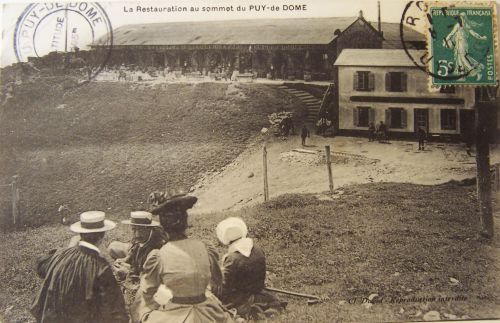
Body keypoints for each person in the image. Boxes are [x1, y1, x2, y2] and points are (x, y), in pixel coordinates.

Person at [131, 189, 234, 323]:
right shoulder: (204, 247)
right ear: (185, 222)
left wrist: (160, 305)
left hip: (176, 316)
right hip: (209, 312)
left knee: (139, 307)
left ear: (163, 225)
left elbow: (148, 292)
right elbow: (217, 282)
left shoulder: (159, 256)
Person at [31, 211, 128, 323]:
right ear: (102, 235)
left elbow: (41, 265)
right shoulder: (100, 266)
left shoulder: (61, 254)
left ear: (81, 234)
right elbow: (115, 310)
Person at [216, 217, 286, 320]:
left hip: (241, 297)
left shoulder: (232, 258)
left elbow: (225, 287)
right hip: (257, 289)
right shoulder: (257, 249)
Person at [108, 211, 167, 279]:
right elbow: (135, 246)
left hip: (150, 268)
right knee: (113, 247)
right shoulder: (141, 236)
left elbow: (150, 278)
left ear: (149, 228)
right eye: (134, 229)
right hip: (140, 259)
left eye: (141, 230)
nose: (137, 234)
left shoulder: (158, 246)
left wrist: (129, 272)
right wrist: (126, 259)